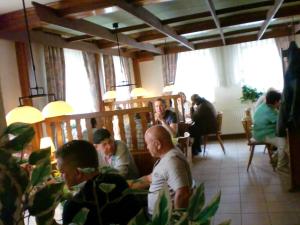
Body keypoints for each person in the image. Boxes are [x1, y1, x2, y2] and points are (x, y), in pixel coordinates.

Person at [56, 140, 141, 225]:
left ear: (78, 173)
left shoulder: (73, 206)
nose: (61, 177)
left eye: (62, 172)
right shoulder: (118, 180)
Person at [129, 125, 192, 216]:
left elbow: (183, 194)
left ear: (157, 144)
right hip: (157, 213)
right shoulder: (169, 155)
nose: (147, 147)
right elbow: (150, 178)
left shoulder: (172, 161)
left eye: (147, 144)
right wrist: (125, 186)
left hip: (162, 218)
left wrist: (178, 220)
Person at [253, 90, 289, 171]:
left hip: (261, 132)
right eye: (279, 101)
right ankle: (281, 166)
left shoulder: (265, 105)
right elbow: (281, 121)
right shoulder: (268, 111)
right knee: (283, 144)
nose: (280, 102)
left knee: (285, 142)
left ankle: (275, 158)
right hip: (263, 134)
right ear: (275, 101)